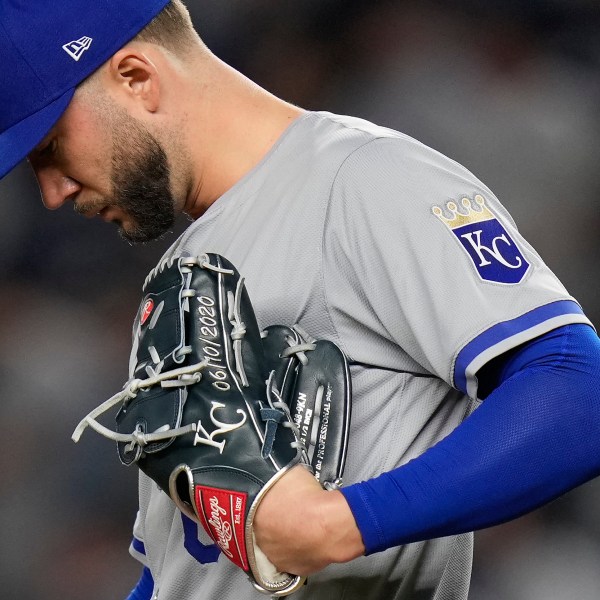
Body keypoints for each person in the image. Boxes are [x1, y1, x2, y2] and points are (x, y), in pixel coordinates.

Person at [2, 1, 600, 599]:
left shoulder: (363, 179)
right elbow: (176, 573)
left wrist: (341, 524)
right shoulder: (181, 274)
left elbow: (579, 388)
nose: (51, 192)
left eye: (50, 147)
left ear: (137, 78)